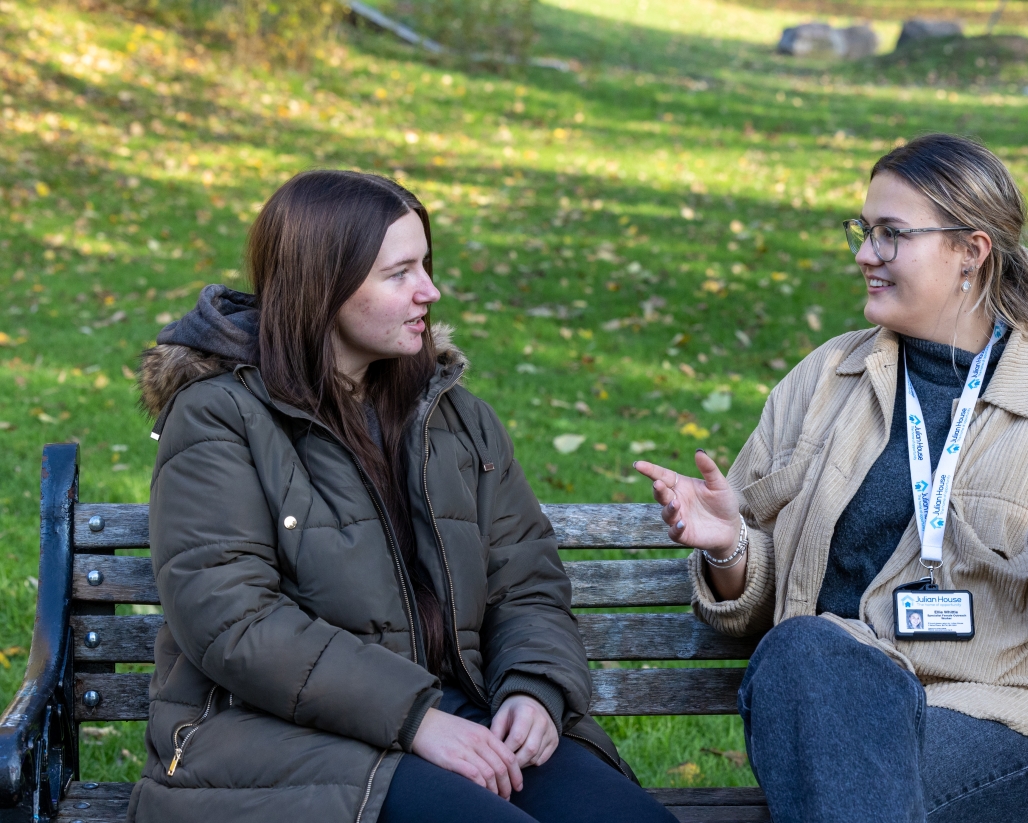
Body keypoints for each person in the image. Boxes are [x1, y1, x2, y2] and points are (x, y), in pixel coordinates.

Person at [635, 134, 1028, 823]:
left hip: (993, 719)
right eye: (863, 232)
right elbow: (756, 611)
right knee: (804, 651)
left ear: (970, 251)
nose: (865, 254)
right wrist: (729, 551)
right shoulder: (822, 380)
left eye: (891, 234)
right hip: (825, 705)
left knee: (843, 776)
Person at [131, 170, 677, 823]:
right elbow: (233, 618)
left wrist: (534, 689)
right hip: (274, 740)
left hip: (456, 711)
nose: (430, 291)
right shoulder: (220, 415)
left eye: (426, 264)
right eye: (400, 273)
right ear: (322, 284)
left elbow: (525, 584)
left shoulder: (455, 417)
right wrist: (415, 717)